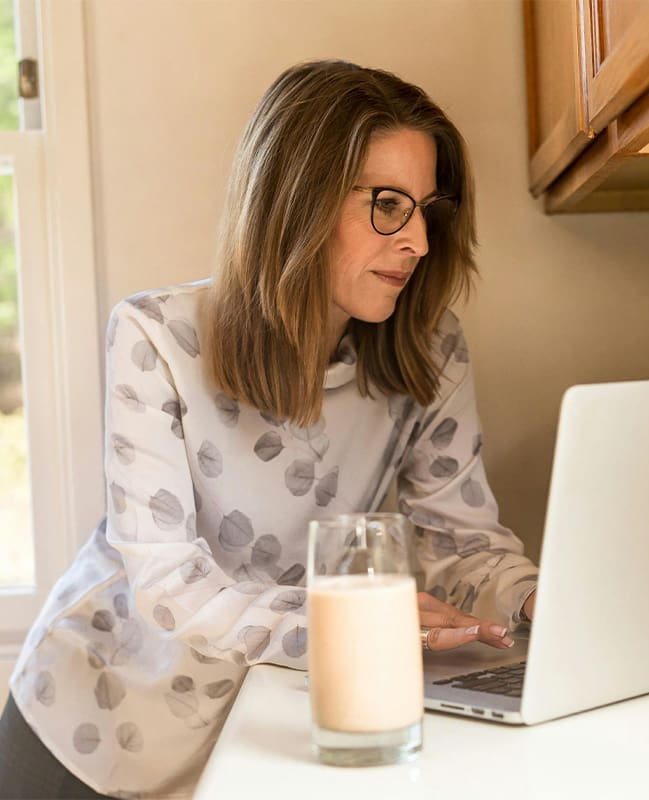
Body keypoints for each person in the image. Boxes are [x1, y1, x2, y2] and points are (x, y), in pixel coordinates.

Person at [0, 60, 538, 799]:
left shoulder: (429, 351)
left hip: (254, 731)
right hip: (90, 726)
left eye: (426, 209)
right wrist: (354, 625)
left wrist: (540, 599)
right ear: (297, 200)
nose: (416, 239)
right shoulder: (155, 337)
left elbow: (461, 542)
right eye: (387, 204)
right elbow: (168, 586)